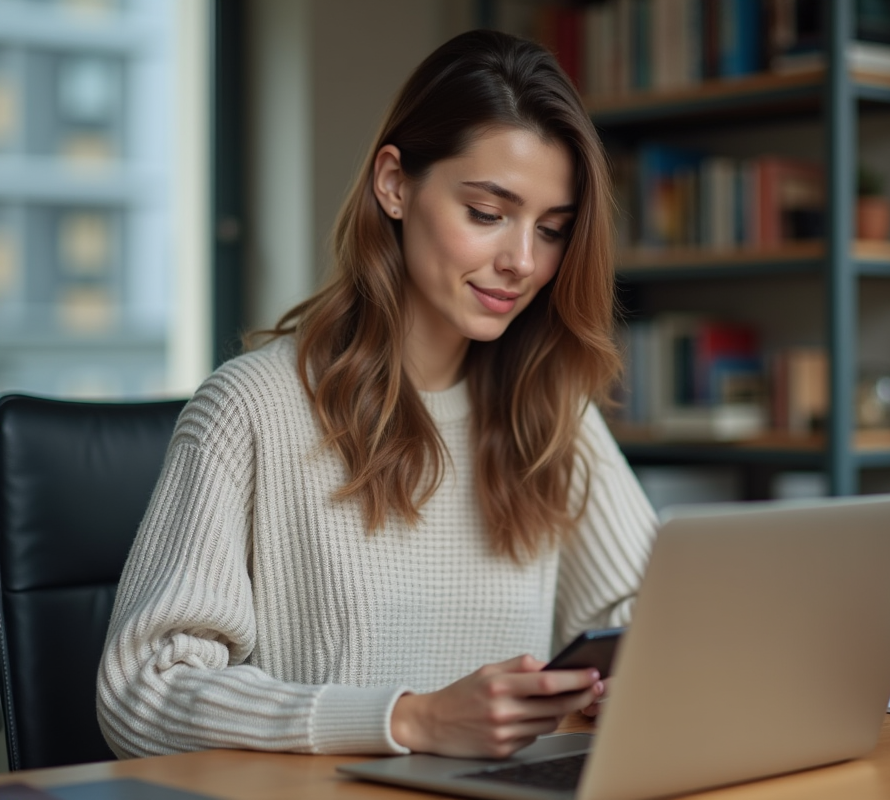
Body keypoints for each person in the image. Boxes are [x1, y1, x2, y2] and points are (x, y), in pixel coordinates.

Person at [96, 29, 657, 761]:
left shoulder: (551, 411)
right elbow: (144, 691)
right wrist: (410, 720)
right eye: (487, 214)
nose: (522, 261)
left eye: (551, 230)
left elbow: (645, 610)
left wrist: (631, 672)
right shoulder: (250, 407)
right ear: (394, 184)